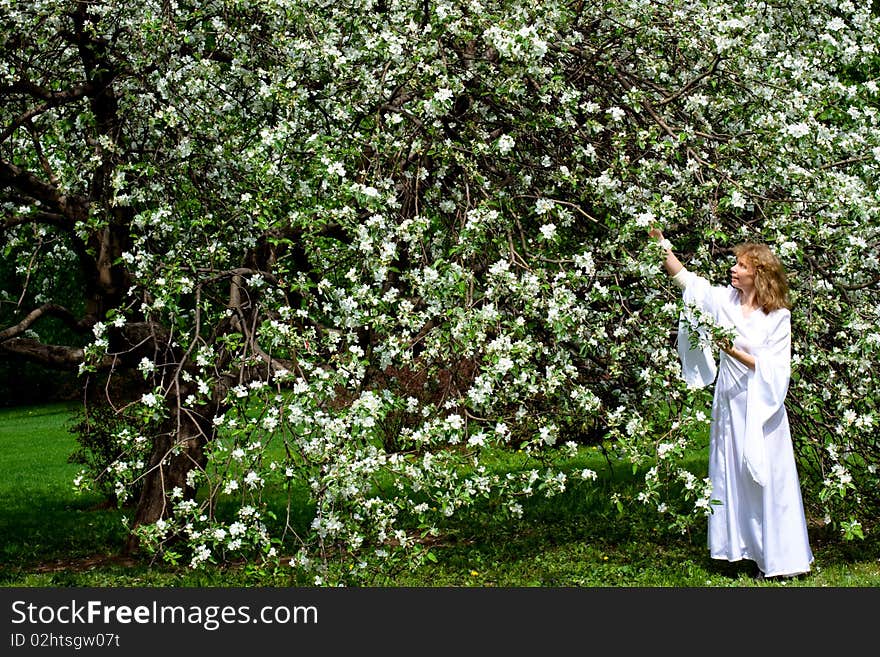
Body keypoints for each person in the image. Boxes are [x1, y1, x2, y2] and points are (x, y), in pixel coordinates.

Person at [649, 228, 813, 579]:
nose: (733, 270)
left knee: (766, 476)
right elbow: (687, 281)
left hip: (761, 407)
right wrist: (661, 246)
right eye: (735, 265)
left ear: (759, 275)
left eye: (741, 266)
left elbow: (775, 366)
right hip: (730, 403)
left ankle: (780, 558)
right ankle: (742, 551)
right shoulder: (725, 301)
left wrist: (732, 350)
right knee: (734, 474)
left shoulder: (777, 317)